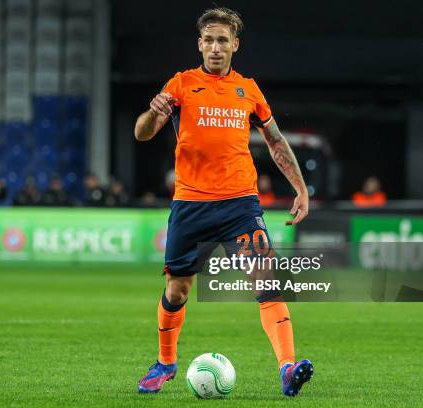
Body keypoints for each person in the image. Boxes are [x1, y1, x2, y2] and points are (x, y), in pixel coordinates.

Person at [133, 7, 312, 397]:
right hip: (191, 205)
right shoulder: (181, 84)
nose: (215, 47)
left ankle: (287, 367)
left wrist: (300, 189)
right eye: (209, 40)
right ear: (200, 44)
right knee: (178, 290)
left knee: (267, 283)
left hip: (240, 206)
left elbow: (276, 141)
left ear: (235, 45)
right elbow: (142, 133)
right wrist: (153, 112)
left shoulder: (248, 89)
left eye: (222, 40)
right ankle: (165, 363)